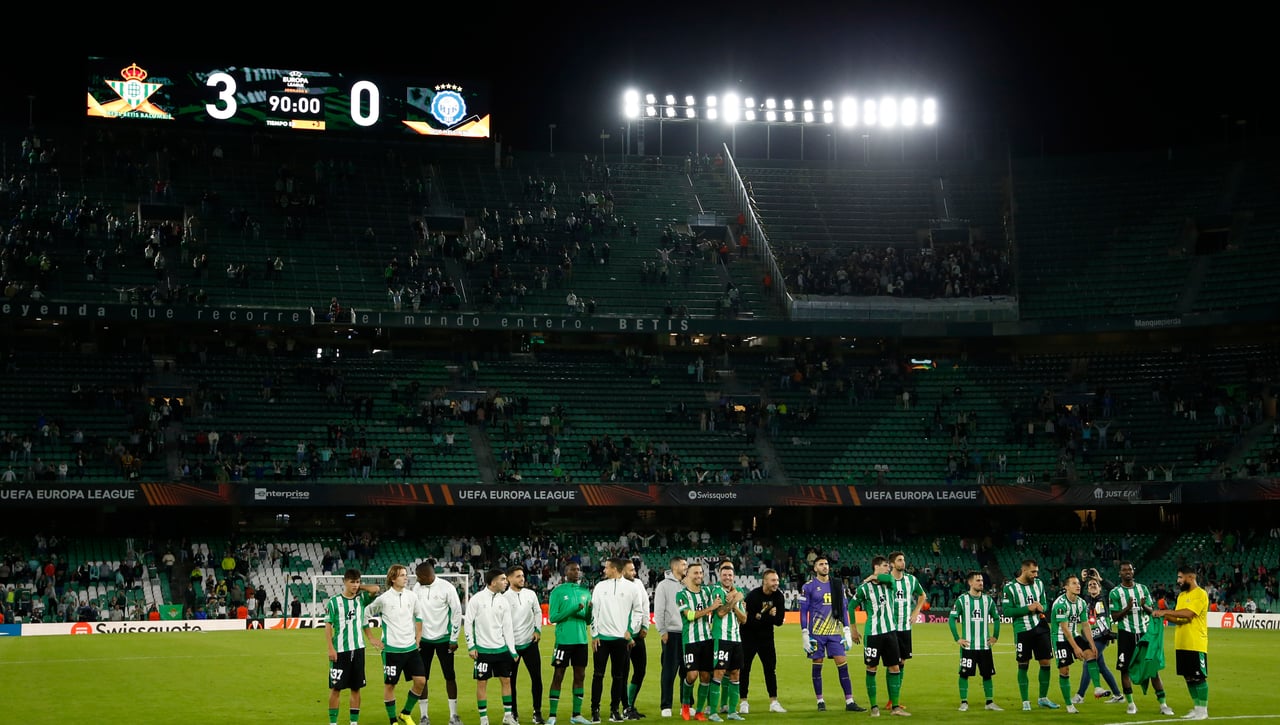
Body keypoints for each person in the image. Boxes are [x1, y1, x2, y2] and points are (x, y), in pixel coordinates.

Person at [799, 556, 864, 712]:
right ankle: (820, 701)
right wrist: (805, 634)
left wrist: (846, 630)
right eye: (821, 564)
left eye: (826, 564)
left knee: (843, 664)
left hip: (834, 633)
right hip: (817, 634)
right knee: (817, 666)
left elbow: (843, 608)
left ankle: (849, 701)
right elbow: (803, 611)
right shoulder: (808, 587)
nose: (825, 566)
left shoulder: (837, 585)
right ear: (815, 568)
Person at [1109, 561, 1175, 716]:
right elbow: (1114, 616)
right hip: (1126, 634)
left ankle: (1163, 705)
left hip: (1144, 635)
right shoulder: (1115, 593)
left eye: (1130, 569)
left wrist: (1144, 606)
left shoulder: (1143, 589)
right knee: (1124, 669)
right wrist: (1127, 608)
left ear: (1133, 571)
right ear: (1120, 573)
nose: (1127, 572)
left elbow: (1152, 611)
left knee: (1152, 669)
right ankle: (1131, 704)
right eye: (1124, 570)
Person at [366, 564, 427, 725]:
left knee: (421, 681)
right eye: (402, 575)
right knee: (390, 685)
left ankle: (405, 713)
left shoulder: (412, 596)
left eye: (406, 575)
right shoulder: (383, 599)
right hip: (391, 650)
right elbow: (365, 614)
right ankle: (393, 720)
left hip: (411, 648)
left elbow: (419, 616)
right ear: (393, 578)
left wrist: (418, 636)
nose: (406, 578)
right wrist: (372, 638)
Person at [1154, 565, 1210, 720]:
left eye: (1180, 577)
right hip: (1182, 642)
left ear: (1191, 577)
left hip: (1196, 643)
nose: (1178, 580)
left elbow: (1189, 614)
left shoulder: (1200, 594)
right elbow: (1180, 619)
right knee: (1188, 677)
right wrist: (1163, 615)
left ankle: (1203, 710)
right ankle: (1196, 708)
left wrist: (1165, 611)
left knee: (1198, 677)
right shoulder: (1182, 596)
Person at [413, 560, 466, 725]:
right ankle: (424, 716)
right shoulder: (417, 588)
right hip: (423, 641)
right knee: (422, 678)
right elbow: (413, 613)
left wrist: (454, 638)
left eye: (419, 576)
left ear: (427, 575)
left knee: (450, 676)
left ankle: (453, 716)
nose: (417, 579)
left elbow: (456, 612)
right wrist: (416, 637)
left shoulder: (446, 588)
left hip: (444, 639)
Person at [1002, 559, 1059, 711]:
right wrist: (1027, 608)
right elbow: (1007, 611)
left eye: (1037, 572)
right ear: (1024, 571)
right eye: (1033, 572)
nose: (1036, 574)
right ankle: (1025, 701)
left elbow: (1045, 604)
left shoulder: (1039, 584)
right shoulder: (1010, 588)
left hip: (1041, 627)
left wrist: (1042, 607)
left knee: (1046, 663)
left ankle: (1043, 698)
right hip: (1022, 630)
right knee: (1023, 665)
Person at [326, 569, 381, 725]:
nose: (355, 585)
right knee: (336, 688)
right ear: (344, 582)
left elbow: (375, 589)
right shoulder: (334, 601)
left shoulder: (361, 599)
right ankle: (333, 723)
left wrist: (359, 587)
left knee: (356, 688)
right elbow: (328, 626)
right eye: (352, 582)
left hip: (358, 649)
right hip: (340, 650)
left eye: (357, 582)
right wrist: (330, 648)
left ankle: (354, 723)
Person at [591, 558, 642, 724]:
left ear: (614, 569)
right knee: (598, 675)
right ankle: (595, 710)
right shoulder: (600, 586)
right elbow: (594, 612)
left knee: (618, 676)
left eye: (606, 567)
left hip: (621, 639)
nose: (604, 570)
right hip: (602, 639)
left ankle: (615, 710)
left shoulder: (632, 588)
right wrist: (594, 635)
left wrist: (631, 630)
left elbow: (638, 611)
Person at [852, 556, 902, 718]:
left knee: (895, 668)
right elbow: (851, 606)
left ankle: (895, 707)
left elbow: (890, 578)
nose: (888, 568)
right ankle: (874, 707)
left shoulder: (889, 583)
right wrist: (853, 629)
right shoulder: (864, 588)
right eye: (885, 566)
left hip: (890, 632)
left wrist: (874, 576)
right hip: (873, 634)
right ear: (876, 566)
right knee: (871, 668)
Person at [467, 569, 518, 725]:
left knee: (506, 681)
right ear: (494, 582)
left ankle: (508, 716)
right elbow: (468, 623)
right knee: (482, 683)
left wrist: (512, 650)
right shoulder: (476, 599)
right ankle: (484, 719)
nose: (506, 582)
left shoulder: (504, 601)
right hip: (482, 650)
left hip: (501, 649)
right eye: (503, 579)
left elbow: (507, 628)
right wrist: (471, 646)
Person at [948, 571, 1002, 712]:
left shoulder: (988, 600)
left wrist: (995, 636)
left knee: (987, 674)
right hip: (968, 646)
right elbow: (952, 619)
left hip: (985, 646)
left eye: (982, 580)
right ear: (970, 582)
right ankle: (964, 702)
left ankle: (989, 702)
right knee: (964, 674)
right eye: (978, 580)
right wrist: (957, 638)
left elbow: (996, 618)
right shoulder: (962, 600)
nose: (981, 583)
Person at [547, 561, 592, 725]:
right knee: (558, 675)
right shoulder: (558, 592)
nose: (576, 572)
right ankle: (552, 716)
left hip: (581, 640)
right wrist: (573, 609)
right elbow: (553, 617)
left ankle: (576, 714)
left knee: (580, 676)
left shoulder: (585, 592)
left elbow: (588, 620)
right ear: (565, 572)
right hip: (564, 641)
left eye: (578, 570)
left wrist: (590, 610)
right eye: (573, 569)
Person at [882, 551, 926, 713]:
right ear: (892, 564)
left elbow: (922, 595)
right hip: (890, 628)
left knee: (902, 663)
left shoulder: (911, 580)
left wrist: (916, 611)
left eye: (903, 560)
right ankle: (891, 700)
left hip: (905, 628)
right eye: (899, 560)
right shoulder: (886, 580)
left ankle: (895, 699)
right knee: (892, 664)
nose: (903, 562)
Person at [704, 561, 747, 722]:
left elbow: (744, 619)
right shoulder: (717, 591)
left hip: (736, 639)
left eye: (730, 575)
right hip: (721, 638)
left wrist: (734, 602)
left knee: (735, 673)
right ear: (719, 576)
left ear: (733, 576)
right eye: (724, 575)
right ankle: (713, 712)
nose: (727, 578)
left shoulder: (738, 591)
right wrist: (735, 600)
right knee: (719, 672)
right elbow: (721, 613)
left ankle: (732, 711)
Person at [677, 561, 720, 721]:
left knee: (705, 676)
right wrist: (711, 608)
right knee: (692, 675)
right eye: (695, 573)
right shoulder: (681, 595)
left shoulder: (707, 591)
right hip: (690, 640)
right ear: (687, 575)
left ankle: (700, 711)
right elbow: (689, 615)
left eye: (701, 573)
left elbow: (720, 591)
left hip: (707, 639)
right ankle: (685, 704)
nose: (699, 576)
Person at [1050, 574, 1099, 715]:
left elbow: (1085, 625)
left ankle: (1097, 688)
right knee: (1065, 671)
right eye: (1073, 583)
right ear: (1066, 587)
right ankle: (1069, 704)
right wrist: (1076, 648)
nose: (1078, 586)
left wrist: (1092, 644)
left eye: (1078, 583)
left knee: (1091, 654)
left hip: (1074, 634)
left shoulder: (1081, 603)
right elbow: (1064, 629)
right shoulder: (1060, 604)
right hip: (1060, 638)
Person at [740, 569, 786, 714]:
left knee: (770, 669)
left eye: (777, 580)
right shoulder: (753, 596)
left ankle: (774, 702)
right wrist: (768, 616)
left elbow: (779, 621)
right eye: (773, 580)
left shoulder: (778, 596)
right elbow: (747, 621)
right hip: (748, 637)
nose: (776, 583)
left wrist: (760, 616)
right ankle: (743, 702)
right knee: (744, 669)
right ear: (765, 581)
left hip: (767, 639)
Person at [505, 565, 545, 724]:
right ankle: (513, 712)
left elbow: (538, 612)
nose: (522, 579)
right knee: (510, 682)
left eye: (522, 576)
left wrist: (537, 629)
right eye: (518, 576)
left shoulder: (530, 594)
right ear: (509, 579)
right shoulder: (504, 598)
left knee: (537, 678)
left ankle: (537, 712)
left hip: (530, 643)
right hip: (511, 646)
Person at [1074, 577, 1124, 706]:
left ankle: (1080, 695)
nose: (1092, 586)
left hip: (1101, 637)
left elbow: (1114, 590)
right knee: (1102, 668)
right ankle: (1118, 695)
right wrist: (1082, 580)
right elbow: (1076, 592)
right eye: (1090, 585)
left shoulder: (1105, 599)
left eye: (1095, 584)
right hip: (1088, 637)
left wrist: (1101, 579)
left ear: (1100, 587)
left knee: (1088, 662)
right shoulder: (1085, 600)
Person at [653, 556, 688, 718]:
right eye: (683, 564)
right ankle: (666, 705)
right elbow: (659, 610)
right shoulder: (663, 585)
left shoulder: (687, 584)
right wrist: (662, 631)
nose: (686, 567)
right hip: (672, 633)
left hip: (688, 634)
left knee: (687, 671)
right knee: (669, 671)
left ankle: (686, 704)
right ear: (675, 567)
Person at [621, 559, 650, 720]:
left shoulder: (638, 583)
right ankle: (624, 707)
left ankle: (630, 704)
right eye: (631, 570)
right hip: (623, 637)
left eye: (634, 569)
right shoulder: (617, 586)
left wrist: (645, 625)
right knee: (622, 674)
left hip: (638, 635)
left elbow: (645, 605)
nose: (634, 572)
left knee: (640, 670)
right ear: (622, 571)